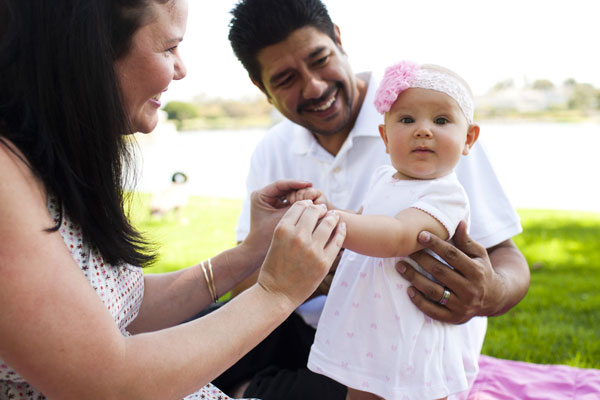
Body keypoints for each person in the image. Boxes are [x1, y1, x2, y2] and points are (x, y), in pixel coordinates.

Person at [0, 1, 346, 399]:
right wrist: (277, 293)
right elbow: (109, 385)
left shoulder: (40, 163)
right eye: (169, 48)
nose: (181, 69)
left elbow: (121, 306)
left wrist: (251, 251)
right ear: (89, 52)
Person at [217, 0, 530, 398]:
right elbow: (243, 284)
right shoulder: (273, 150)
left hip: (399, 347)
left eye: (319, 59)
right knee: (187, 345)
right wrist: (301, 275)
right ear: (261, 89)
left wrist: (490, 292)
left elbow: (505, 253)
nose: (314, 86)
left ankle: (252, 390)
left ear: (339, 40)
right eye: (285, 79)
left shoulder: (434, 127)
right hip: (319, 335)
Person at [290, 60, 481, 400]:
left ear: (468, 138)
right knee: (361, 388)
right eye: (407, 120)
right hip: (369, 322)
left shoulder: (446, 195)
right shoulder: (383, 179)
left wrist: (331, 217)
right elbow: (365, 220)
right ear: (385, 136)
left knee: (418, 390)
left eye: (441, 120)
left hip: (412, 322)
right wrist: (329, 207)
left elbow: (397, 236)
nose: (423, 130)